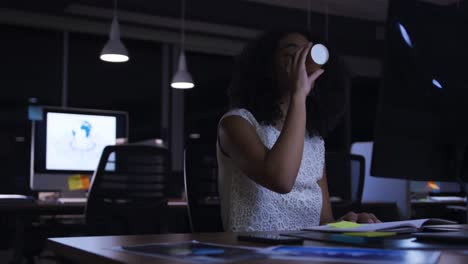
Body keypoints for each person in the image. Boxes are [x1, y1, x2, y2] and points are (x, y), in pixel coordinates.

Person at [216, 31, 380, 232]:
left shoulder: (314, 141)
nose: (302, 56)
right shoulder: (236, 123)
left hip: (306, 252)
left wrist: (348, 223)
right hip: (254, 253)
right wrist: (299, 95)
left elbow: (323, 222)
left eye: (308, 50)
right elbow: (281, 180)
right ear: (266, 64)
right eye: (291, 48)